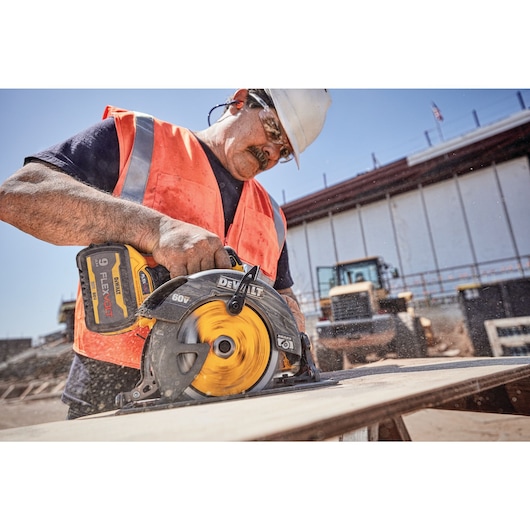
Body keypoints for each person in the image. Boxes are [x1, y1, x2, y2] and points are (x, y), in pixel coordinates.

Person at [0, 88, 331, 419]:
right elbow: (19, 194)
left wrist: (290, 313)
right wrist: (156, 231)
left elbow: (283, 292)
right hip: (113, 392)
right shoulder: (141, 141)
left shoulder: (271, 216)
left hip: (234, 396)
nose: (270, 153)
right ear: (242, 99)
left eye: (285, 151)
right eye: (273, 130)